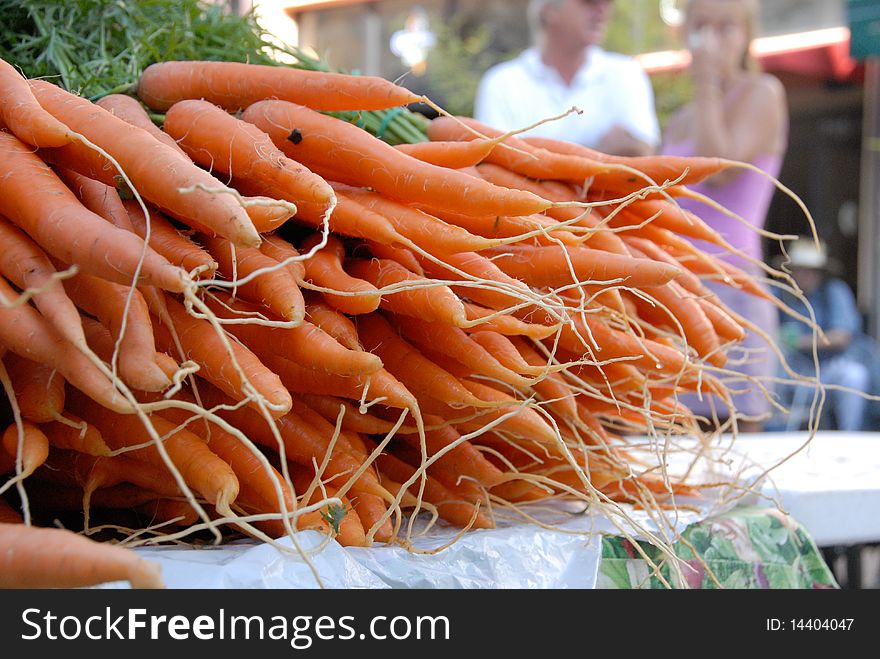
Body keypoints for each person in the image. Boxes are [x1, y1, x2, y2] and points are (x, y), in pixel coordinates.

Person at [659, 0, 788, 433]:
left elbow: (719, 168)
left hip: (732, 285)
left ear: (746, 34)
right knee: (672, 442)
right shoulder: (682, 118)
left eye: (725, 27)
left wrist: (707, 83)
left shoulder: (762, 92)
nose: (712, 40)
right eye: (701, 27)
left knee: (734, 442)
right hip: (675, 290)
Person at [473, 0, 660, 156]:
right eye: (590, 2)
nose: (602, 9)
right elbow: (498, 163)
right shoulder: (502, 84)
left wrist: (534, 159)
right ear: (550, 10)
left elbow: (641, 152)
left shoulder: (626, 73)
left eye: (607, 2)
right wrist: (601, 154)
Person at [770, 237, 872, 432]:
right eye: (801, 269)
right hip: (789, 370)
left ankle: (850, 437)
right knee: (767, 361)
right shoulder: (777, 292)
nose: (806, 275)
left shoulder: (834, 291)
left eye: (811, 270)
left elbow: (841, 337)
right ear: (790, 270)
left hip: (827, 369)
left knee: (854, 375)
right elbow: (762, 330)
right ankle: (769, 429)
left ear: (820, 273)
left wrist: (797, 341)